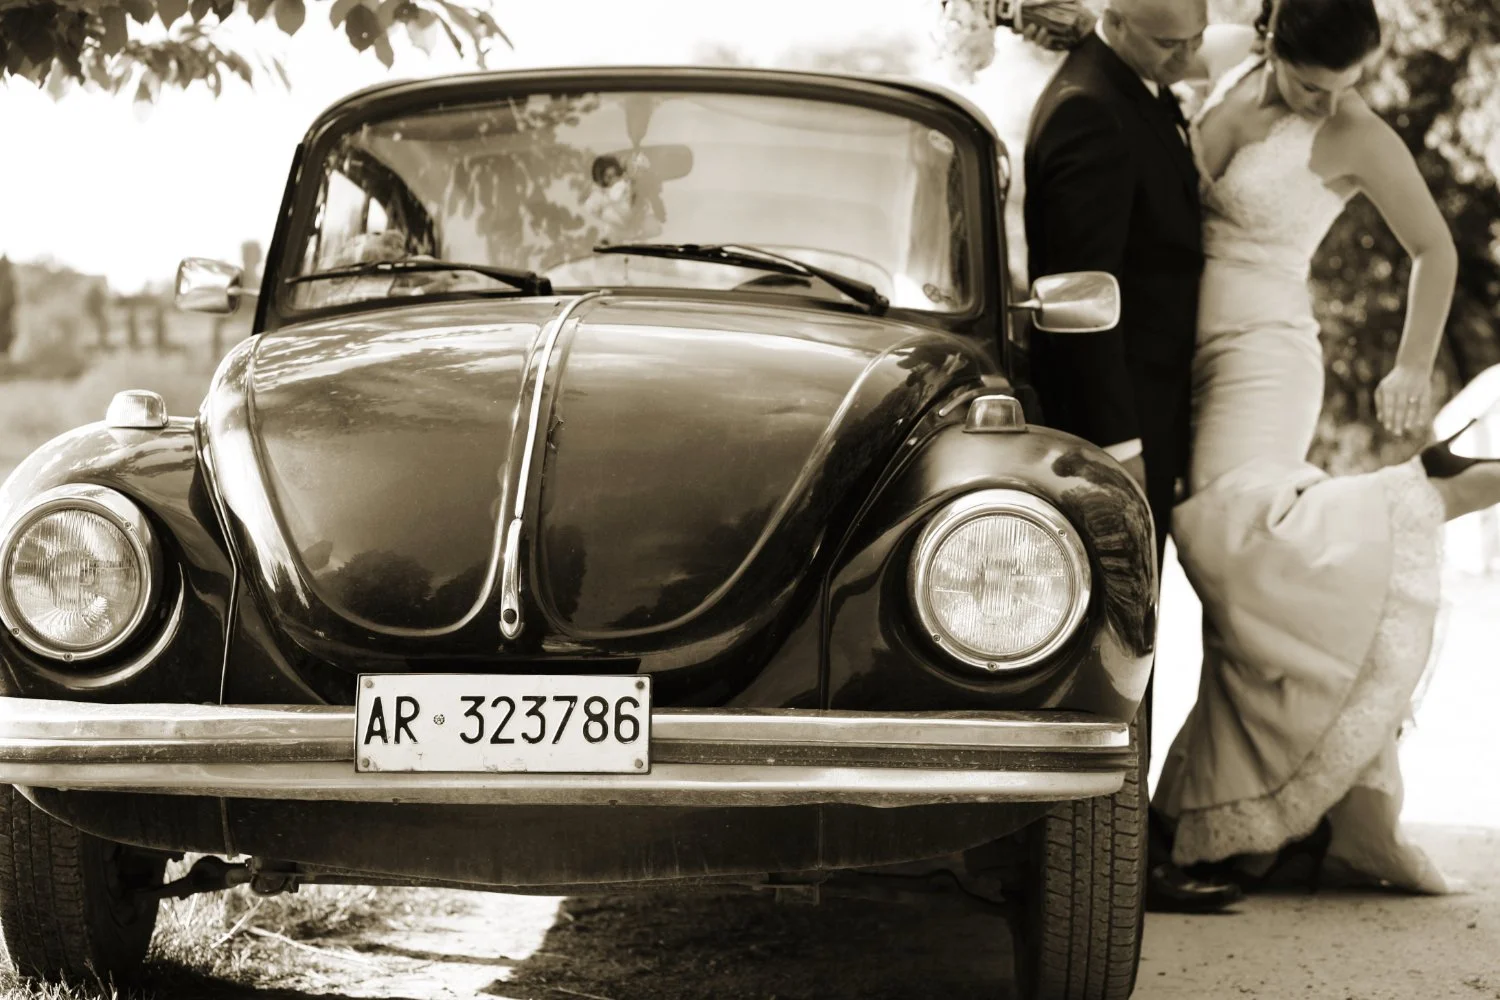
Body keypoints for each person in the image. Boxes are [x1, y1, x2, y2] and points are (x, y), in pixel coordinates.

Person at [991, 0, 1495, 895]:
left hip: (1263, 354)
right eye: (1310, 83)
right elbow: (1132, 44)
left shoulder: (1354, 132)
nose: (1325, 103)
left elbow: (1434, 249)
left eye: (1344, 87)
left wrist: (1412, 367)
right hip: (1182, 350)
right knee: (1230, 587)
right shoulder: (1213, 54)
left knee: (1237, 543)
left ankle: (1421, 493)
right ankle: (1270, 804)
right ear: (1265, 42)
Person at [1018, 0, 1245, 914]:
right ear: (1113, 19)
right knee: (1121, 648)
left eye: (1196, 34)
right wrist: (1123, 450)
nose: (1193, 54)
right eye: (1172, 41)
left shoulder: (1137, 87)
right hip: (1116, 432)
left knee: (1141, 640)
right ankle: (1114, 867)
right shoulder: (1088, 109)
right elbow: (1081, 299)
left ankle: (1129, 847)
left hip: (1157, 412)